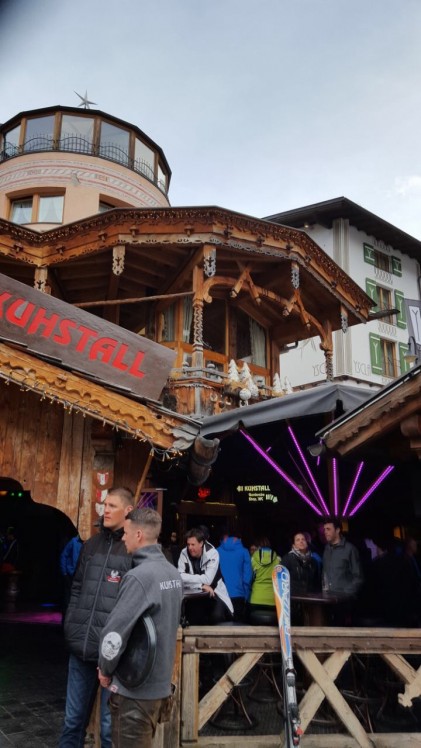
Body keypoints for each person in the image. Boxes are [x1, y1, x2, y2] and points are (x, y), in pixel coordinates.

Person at [98, 507, 183, 748]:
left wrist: (105, 668)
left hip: (134, 691)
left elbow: (114, 634)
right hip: (159, 688)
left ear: (138, 535)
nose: (123, 538)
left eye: (126, 533)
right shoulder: (173, 574)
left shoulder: (139, 577)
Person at [59, 487, 134, 748]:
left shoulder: (133, 550)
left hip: (113, 655)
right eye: (105, 505)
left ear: (128, 511)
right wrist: (71, 624)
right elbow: (76, 587)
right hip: (81, 646)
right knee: (72, 722)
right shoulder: (90, 545)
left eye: (112, 506)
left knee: (109, 729)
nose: (105, 510)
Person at [178, 527, 233, 624]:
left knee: (216, 617)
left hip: (214, 594)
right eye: (188, 544)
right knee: (193, 618)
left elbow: (208, 580)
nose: (190, 548)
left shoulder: (212, 553)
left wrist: (187, 577)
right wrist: (200, 585)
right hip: (193, 594)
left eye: (193, 544)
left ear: (201, 543)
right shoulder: (184, 552)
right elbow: (179, 577)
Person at [322, 519, 363, 599]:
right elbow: (325, 573)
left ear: (337, 530)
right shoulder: (326, 549)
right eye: (324, 529)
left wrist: (346, 593)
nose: (325, 532)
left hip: (345, 600)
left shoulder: (350, 549)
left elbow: (358, 577)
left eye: (328, 529)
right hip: (328, 599)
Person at [217, 529, 253, 621]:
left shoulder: (217, 551)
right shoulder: (244, 551)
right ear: (239, 539)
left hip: (220, 595)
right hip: (238, 594)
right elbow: (247, 577)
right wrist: (246, 595)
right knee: (237, 625)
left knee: (220, 625)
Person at [249, 538, 281, 624]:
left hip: (256, 599)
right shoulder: (278, 559)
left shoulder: (253, 559)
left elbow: (249, 577)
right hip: (273, 600)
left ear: (258, 547)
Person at [281, 531, 320, 596]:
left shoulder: (313, 561)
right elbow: (281, 580)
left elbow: (316, 582)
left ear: (307, 543)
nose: (301, 541)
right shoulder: (287, 559)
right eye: (298, 540)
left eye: (303, 539)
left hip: (310, 598)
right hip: (294, 598)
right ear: (293, 545)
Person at [60, 534, 84, 615]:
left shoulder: (90, 542)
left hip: (82, 576)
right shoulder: (74, 541)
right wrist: (64, 572)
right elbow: (64, 555)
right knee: (68, 599)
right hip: (71, 575)